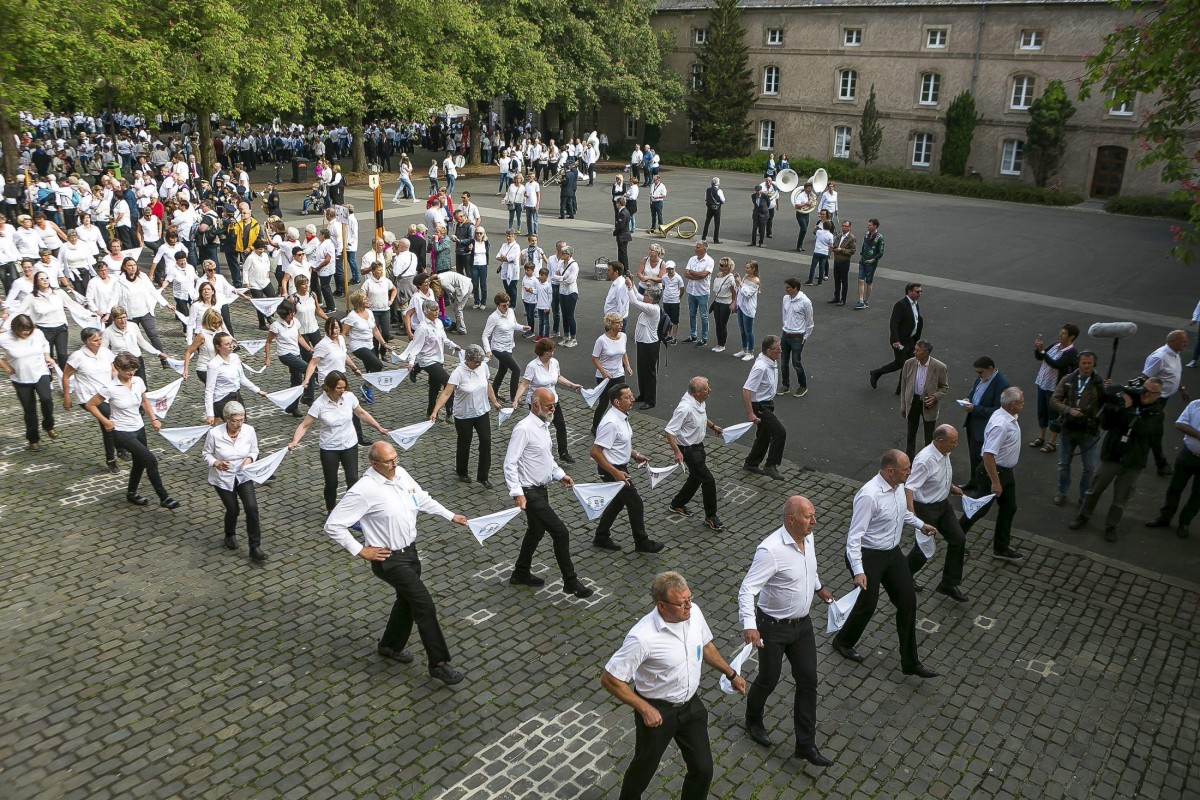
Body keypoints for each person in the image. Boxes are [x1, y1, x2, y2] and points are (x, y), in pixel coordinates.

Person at [323, 441, 468, 686]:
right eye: (388, 461)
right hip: (389, 559)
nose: (394, 464)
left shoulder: (400, 473)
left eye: (395, 458)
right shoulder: (364, 490)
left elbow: (420, 498)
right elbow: (333, 525)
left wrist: (450, 515)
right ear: (374, 464)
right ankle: (439, 664)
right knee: (424, 605)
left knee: (407, 602)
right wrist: (360, 550)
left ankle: (389, 646)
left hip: (410, 552)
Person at [601, 571, 746, 800]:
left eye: (689, 598)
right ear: (661, 606)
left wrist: (730, 673)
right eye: (681, 603)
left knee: (703, 769)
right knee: (643, 769)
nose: (689, 606)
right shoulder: (642, 638)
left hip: (691, 707)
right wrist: (644, 708)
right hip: (658, 711)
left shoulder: (694, 613)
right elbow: (610, 678)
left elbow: (706, 646)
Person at [739, 495, 835, 763]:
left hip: (802, 626)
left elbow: (808, 566)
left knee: (808, 681)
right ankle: (753, 719)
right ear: (791, 519)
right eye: (808, 517)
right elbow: (747, 590)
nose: (814, 521)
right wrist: (749, 625)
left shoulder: (809, 537)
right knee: (769, 679)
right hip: (772, 628)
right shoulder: (770, 551)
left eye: (814, 515)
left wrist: (818, 587)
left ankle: (805, 745)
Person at [831, 449, 938, 677]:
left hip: (892, 553)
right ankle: (842, 642)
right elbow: (854, 537)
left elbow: (902, 514)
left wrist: (920, 525)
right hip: (868, 555)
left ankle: (910, 662)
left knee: (908, 601)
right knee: (867, 604)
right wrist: (858, 571)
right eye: (906, 469)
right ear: (891, 471)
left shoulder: (898, 488)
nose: (910, 472)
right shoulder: (869, 495)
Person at [504, 387, 594, 598]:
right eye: (549, 406)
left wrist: (559, 474)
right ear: (535, 406)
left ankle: (520, 572)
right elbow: (510, 463)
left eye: (554, 405)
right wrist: (517, 493)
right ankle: (570, 581)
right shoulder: (524, 429)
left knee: (536, 531)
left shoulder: (544, 425)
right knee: (560, 532)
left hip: (540, 489)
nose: (553, 409)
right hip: (529, 492)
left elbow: (546, 458)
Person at [1069, 379, 1165, 542]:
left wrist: (1127, 409)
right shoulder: (1126, 401)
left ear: (1159, 395)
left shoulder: (1156, 413)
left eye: (1151, 392)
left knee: (1121, 498)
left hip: (1133, 462)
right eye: (1144, 390)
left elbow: (1143, 430)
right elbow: (1106, 424)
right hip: (1112, 455)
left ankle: (1111, 526)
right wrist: (1112, 404)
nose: (1146, 394)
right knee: (1094, 489)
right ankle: (1083, 516)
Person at [83, 351, 180, 509]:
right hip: (121, 431)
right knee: (150, 460)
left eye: (133, 369)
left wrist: (153, 418)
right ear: (118, 368)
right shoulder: (110, 387)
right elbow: (90, 405)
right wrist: (106, 421)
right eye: (128, 370)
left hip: (138, 427)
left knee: (139, 462)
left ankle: (131, 493)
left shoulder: (138, 381)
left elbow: (144, 400)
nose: (131, 373)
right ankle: (164, 497)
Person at [290, 370, 390, 512]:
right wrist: (295, 441)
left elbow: (361, 413)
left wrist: (378, 427)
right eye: (339, 388)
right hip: (330, 448)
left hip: (349, 444)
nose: (342, 391)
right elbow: (304, 425)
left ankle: (351, 510)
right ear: (329, 387)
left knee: (353, 479)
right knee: (331, 483)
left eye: (344, 387)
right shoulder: (319, 404)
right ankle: (331, 510)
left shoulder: (349, 397)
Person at [591, 384, 664, 553]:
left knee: (617, 503)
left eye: (632, 396)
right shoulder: (611, 422)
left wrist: (634, 454)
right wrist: (615, 473)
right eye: (628, 397)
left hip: (619, 467)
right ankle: (642, 542)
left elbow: (617, 444)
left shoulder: (622, 416)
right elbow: (595, 452)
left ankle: (601, 536)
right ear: (617, 402)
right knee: (635, 503)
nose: (632, 399)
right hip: (612, 470)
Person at [959, 386, 1027, 561]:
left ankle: (1001, 547)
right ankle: (956, 538)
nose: (1023, 404)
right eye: (1021, 402)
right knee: (979, 509)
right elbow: (989, 455)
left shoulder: (1007, 416)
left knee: (1009, 508)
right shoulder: (1001, 425)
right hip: (994, 473)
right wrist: (996, 482)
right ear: (1011, 405)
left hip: (1005, 472)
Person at [904, 425, 968, 601]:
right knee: (924, 549)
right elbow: (909, 486)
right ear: (940, 442)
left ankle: (948, 584)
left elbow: (942, 474)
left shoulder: (944, 452)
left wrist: (951, 487)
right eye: (953, 442)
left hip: (943, 506)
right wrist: (912, 514)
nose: (956, 445)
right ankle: (904, 575)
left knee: (958, 539)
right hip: (926, 509)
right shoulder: (925, 460)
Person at [430, 344, 502, 486]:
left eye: (480, 361)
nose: (479, 364)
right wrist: (435, 410)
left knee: (486, 442)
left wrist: (495, 401)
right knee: (465, 442)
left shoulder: (483, 367)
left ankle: (483, 476)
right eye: (476, 362)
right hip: (463, 414)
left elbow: (487, 385)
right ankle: (462, 471)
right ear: (468, 360)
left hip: (482, 412)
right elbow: (446, 392)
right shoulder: (458, 372)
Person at [203, 401, 266, 561]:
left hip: (243, 475)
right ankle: (229, 534)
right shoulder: (215, 434)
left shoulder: (249, 430)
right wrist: (217, 463)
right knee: (233, 509)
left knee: (252, 508)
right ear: (226, 419)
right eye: (235, 421)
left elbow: (254, 450)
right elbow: (207, 453)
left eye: (242, 420)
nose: (239, 424)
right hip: (223, 478)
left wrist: (250, 459)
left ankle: (255, 546)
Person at [664, 377, 725, 531]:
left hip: (698, 446)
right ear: (697, 393)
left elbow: (702, 416)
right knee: (708, 481)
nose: (709, 390)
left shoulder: (699, 402)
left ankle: (677, 503)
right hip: (688, 450)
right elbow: (669, 432)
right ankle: (711, 516)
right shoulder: (684, 408)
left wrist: (713, 426)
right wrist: (677, 452)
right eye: (706, 389)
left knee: (695, 477)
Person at [512, 337, 582, 464]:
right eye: (549, 351)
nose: (552, 353)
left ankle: (564, 452)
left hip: (553, 400)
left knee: (560, 425)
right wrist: (516, 398)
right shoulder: (533, 366)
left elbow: (558, 377)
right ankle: (538, 453)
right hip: (538, 403)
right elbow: (524, 384)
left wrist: (571, 385)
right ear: (541, 352)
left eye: (553, 350)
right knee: (540, 428)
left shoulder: (554, 362)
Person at [1050, 351, 1104, 506]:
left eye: (1089, 363)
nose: (1086, 366)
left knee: (1089, 468)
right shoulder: (1068, 380)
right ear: (1078, 364)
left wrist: (1109, 392)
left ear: (1094, 364)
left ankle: (1084, 497)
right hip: (1068, 429)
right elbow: (1054, 400)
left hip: (1089, 432)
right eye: (1084, 363)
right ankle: (1062, 493)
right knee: (1063, 464)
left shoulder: (1100, 383)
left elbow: (1107, 406)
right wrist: (1068, 410)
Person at [63, 327, 118, 471]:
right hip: (88, 397)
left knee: (108, 425)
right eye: (95, 340)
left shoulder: (105, 352)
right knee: (108, 419)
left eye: (100, 339)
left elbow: (113, 370)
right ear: (86, 341)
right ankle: (115, 454)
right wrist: (67, 397)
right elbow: (66, 376)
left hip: (106, 394)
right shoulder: (77, 356)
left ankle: (112, 456)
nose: (98, 342)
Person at [1146, 396, 1200, 539]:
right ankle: (1165, 517)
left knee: (1197, 496)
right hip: (1187, 454)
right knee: (1174, 488)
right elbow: (1180, 424)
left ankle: (1185, 522)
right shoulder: (1195, 405)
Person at [0, 314, 57, 450]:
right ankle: (33, 439)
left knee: (46, 399)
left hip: (40, 372)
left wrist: (47, 356)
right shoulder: (5, 338)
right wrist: (4, 365)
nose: (27, 333)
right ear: (15, 329)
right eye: (23, 330)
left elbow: (45, 344)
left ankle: (48, 425)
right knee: (29, 410)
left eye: (29, 330)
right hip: (21, 378)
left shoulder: (37, 333)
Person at [1140, 330, 1190, 476]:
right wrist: (1147, 400)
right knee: (1156, 432)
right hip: (1154, 401)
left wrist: (1181, 388)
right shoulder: (1159, 357)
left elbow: (1175, 374)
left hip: (1163, 399)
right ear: (1173, 342)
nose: (1186, 344)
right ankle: (1161, 464)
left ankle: (1140, 456)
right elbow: (1144, 378)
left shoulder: (1175, 354)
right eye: (1183, 341)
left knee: (1149, 430)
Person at [405, 299, 464, 418]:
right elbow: (415, 347)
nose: (437, 312)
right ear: (426, 312)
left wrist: (453, 345)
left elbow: (444, 338)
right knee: (449, 383)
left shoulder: (439, 323)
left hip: (438, 358)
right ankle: (450, 412)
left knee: (434, 387)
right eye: (433, 310)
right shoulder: (422, 328)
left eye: (437, 309)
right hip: (428, 361)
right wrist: (411, 363)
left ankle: (430, 411)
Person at [1030, 324, 1081, 453]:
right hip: (1043, 382)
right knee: (1042, 410)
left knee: (1053, 413)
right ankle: (1041, 437)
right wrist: (1039, 349)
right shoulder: (1054, 346)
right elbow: (1040, 357)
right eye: (1060, 333)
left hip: (1055, 387)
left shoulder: (1071, 352)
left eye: (1063, 334)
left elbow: (1057, 364)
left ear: (1071, 337)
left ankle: (1052, 442)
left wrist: (1043, 352)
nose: (1060, 335)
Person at [961, 356, 1010, 488]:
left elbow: (997, 410)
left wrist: (975, 408)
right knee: (973, 455)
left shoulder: (1001, 385)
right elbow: (974, 393)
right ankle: (973, 481)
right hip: (972, 422)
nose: (978, 375)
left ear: (990, 369)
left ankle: (982, 487)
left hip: (984, 427)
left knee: (981, 458)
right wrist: (968, 399)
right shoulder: (982, 378)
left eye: (980, 372)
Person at [742, 337, 786, 481]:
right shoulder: (761, 366)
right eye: (777, 349)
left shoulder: (771, 361)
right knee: (779, 433)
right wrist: (750, 413)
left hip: (767, 403)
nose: (780, 351)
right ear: (768, 351)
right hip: (760, 407)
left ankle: (751, 462)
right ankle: (770, 465)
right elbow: (746, 389)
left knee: (764, 435)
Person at [899, 340, 949, 460]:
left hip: (928, 403)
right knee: (910, 435)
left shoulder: (939, 367)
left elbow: (944, 387)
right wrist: (903, 405)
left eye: (917, 350)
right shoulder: (909, 363)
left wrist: (935, 397)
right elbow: (904, 385)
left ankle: (928, 460)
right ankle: (909, 462)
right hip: (913, 401)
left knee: (929, 435)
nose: (914, 352)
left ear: (925, 353)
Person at [204, 332, 268, 424]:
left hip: (236, 396)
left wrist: (257, 390)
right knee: (234, 424)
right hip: (221, 399)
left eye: (231, 343)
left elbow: (241, 377)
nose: (231, 346)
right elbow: (209, 390)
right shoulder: (214, 365)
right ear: (218, 347)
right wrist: (210, 414)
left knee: (242, 423)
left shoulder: (235, 357)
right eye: (227, 344)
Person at [870, 283, 923, 392]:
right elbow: (894, 323)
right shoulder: (901, 305)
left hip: (911, 340)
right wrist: (896, 340)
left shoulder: (915, 304)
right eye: (917, 292)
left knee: (909, 364)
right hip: (900, 341)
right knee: (900, 363)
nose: (920, 294)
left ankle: (901, 389)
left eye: (921, 292)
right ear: (909, 292)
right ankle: (876, 373)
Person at [264, 300, 314, 417]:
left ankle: (292, 407)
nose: (293, 315)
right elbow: (268, 342)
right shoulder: (276, 326)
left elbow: (299, 337)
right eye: (290, 313)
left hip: (295, 353)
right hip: (285, 355)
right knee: (309, 369)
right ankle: (307, 397)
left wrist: (309, 349)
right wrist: (267, 358)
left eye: (293, 312)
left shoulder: (295, 322)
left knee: (296, 381)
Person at [482, 292, 530, 402]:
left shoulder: (511, 312)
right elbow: (485, 335)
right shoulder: (493, 317)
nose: (506, 307)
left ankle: (493, 392)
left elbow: (513, 325)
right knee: (516, 370)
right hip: (498, 348)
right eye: (504, 305)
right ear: (497, 305)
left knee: (503, 370)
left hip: (509, 347)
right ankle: (514, 397)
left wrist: (523, 327)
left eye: (508, 304)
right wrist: (488, 351)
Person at [591, 311, 632, 435]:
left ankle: (621, 424)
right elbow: (595, 358)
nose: (621, 325)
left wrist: (628, 366)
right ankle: (595, 427)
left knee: (622, 401)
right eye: (618, 323)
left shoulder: (623, 336)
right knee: (603, 403)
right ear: (610, 324)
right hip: (605, 377)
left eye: (621, 322)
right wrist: (603, 372)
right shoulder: (601, 340)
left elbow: (623, 353)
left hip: (619, 374)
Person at [779, 278, 814, 398]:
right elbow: (784, 314)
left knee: (796, 363)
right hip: (785, 334)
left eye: (788, 287)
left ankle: (803, 386)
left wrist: (805, 336)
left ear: (795, 288)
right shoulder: (785, 298)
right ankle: (785, 385)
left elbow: (810, 322)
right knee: (783, 362)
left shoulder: (805, 302)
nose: (786, 289)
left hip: (797, 337)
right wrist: (785, 327)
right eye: (785, 287)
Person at [630, 287, 662, 410]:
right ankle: (643, 394)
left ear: (652, 299)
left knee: (649, 373)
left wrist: (628, 288)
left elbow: (634, 301)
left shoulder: (652, 309)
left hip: (649, 345)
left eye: (647, 295)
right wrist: (631, 285)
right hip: (643, 343)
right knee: (641, 370)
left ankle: (650, 400)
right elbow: (638, 296)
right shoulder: (649, 305)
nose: (644, 296)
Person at [683, 241, 713, 346]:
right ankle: (693, 335)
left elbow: (703, 275)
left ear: (704, 249)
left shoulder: (709, 261)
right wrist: (696, 275)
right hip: (692, 291)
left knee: (703, 316)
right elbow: (686, 274)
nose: (695, 249)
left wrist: (692, 273)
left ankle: (704, 338)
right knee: (692, 314)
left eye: (698, 247)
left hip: (702, 292)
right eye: (696, 247)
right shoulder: (692, 259)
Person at [732, 261, 760, 361]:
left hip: (749, 308)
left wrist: (740, 282)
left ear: (754, 269)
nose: (746, 269)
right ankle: (744, 349)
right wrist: (738, 282)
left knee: (748, 331)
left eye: (748, 268)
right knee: (742, 329)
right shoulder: (745, 277)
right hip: (741, 306)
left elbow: (747, 294)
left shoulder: (756, 281)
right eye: (746, 267)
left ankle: (751, 352)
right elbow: (739, 290)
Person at [853, 218, 884, 308]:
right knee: (860, 279)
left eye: (870, 225)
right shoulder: (866, 234)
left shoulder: (879, 237)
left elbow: (881, 252)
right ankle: (861, 300)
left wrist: (873, 259)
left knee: (869, 282)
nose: (868, 226)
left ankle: (866, 300)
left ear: (875, 226)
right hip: (863, 260)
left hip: (871, 262)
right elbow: (864, 245)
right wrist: (862, 254)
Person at [709, 258, 737, 354]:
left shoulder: (730, 278)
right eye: (720, 264)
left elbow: (734, 292)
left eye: (722, 265)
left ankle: (722, 344)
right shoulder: (718, 275)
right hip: (717, 301)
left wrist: (733, 303)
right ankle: (718, 343)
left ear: (727, 267)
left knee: (722, 324)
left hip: (726, 303)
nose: (720, 267)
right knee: (717, 323)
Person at [660, 261, 684, 346]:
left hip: (674, 301)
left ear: (675, 268)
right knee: (667, 319)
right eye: (668, 269)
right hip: (666, 300)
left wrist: (678, 297)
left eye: (672, 269)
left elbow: (681, 289)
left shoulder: (678, 278)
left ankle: (674, 337)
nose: (670, 271)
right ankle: (668, 334)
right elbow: (663, 287)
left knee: (675, 320)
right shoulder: (664, 277)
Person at [806, 220, 833, 286]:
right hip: (825, 252)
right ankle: (819, 282)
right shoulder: (830, 235)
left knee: (813, 266)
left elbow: (814, 231)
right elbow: (831, 246)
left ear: (823, 226)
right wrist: (830, 254)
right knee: (822, 267)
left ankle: (810, 280)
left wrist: (818, 227)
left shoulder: (819, 232)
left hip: (817, 251)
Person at [793, 181, 815, 252]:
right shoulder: (801, 195)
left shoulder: (809, 195)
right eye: (808, 188)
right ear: (805, 188)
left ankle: (800, 246)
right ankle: (798, 246)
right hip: (800, 214)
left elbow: (812, 202)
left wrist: (812, 203)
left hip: (806, 214)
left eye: (810, 188)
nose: (810, 190)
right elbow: (796, 205)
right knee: (804, 229)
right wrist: (806, 203)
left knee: (804, 231)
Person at [701, 178, 724, 243]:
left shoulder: (708, 190)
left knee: (707, 222)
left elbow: (705, 199)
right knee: (717, 224)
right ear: (718, 183)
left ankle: (703, 238)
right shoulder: (719, 191)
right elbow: (723, 200)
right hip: (717, 208)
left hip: (709, 208)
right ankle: (715, 239)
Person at [613, 196, 632, 270]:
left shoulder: (622, 213)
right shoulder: (626, 211)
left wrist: (615, 232)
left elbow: (620, 226)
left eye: (616, 203)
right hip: (625, 235)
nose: (616, 205)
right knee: (622, 253)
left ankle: (624, 269)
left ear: (619, 203)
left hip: (623, 236)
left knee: (622, 254)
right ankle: (623, 268)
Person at [522, 171, 541, 235]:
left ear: (533, 177)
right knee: (528, 220)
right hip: (528, 204)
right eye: (529, 177)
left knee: (535, 220)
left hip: (533, 204)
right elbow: (525, 192)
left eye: (531, 177)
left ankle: (535, 233)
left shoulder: (536, 184)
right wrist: (525, 195)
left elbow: (538, 194)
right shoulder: (527, 184)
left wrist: (537, 204)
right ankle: (530, 232)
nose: (529, 178)